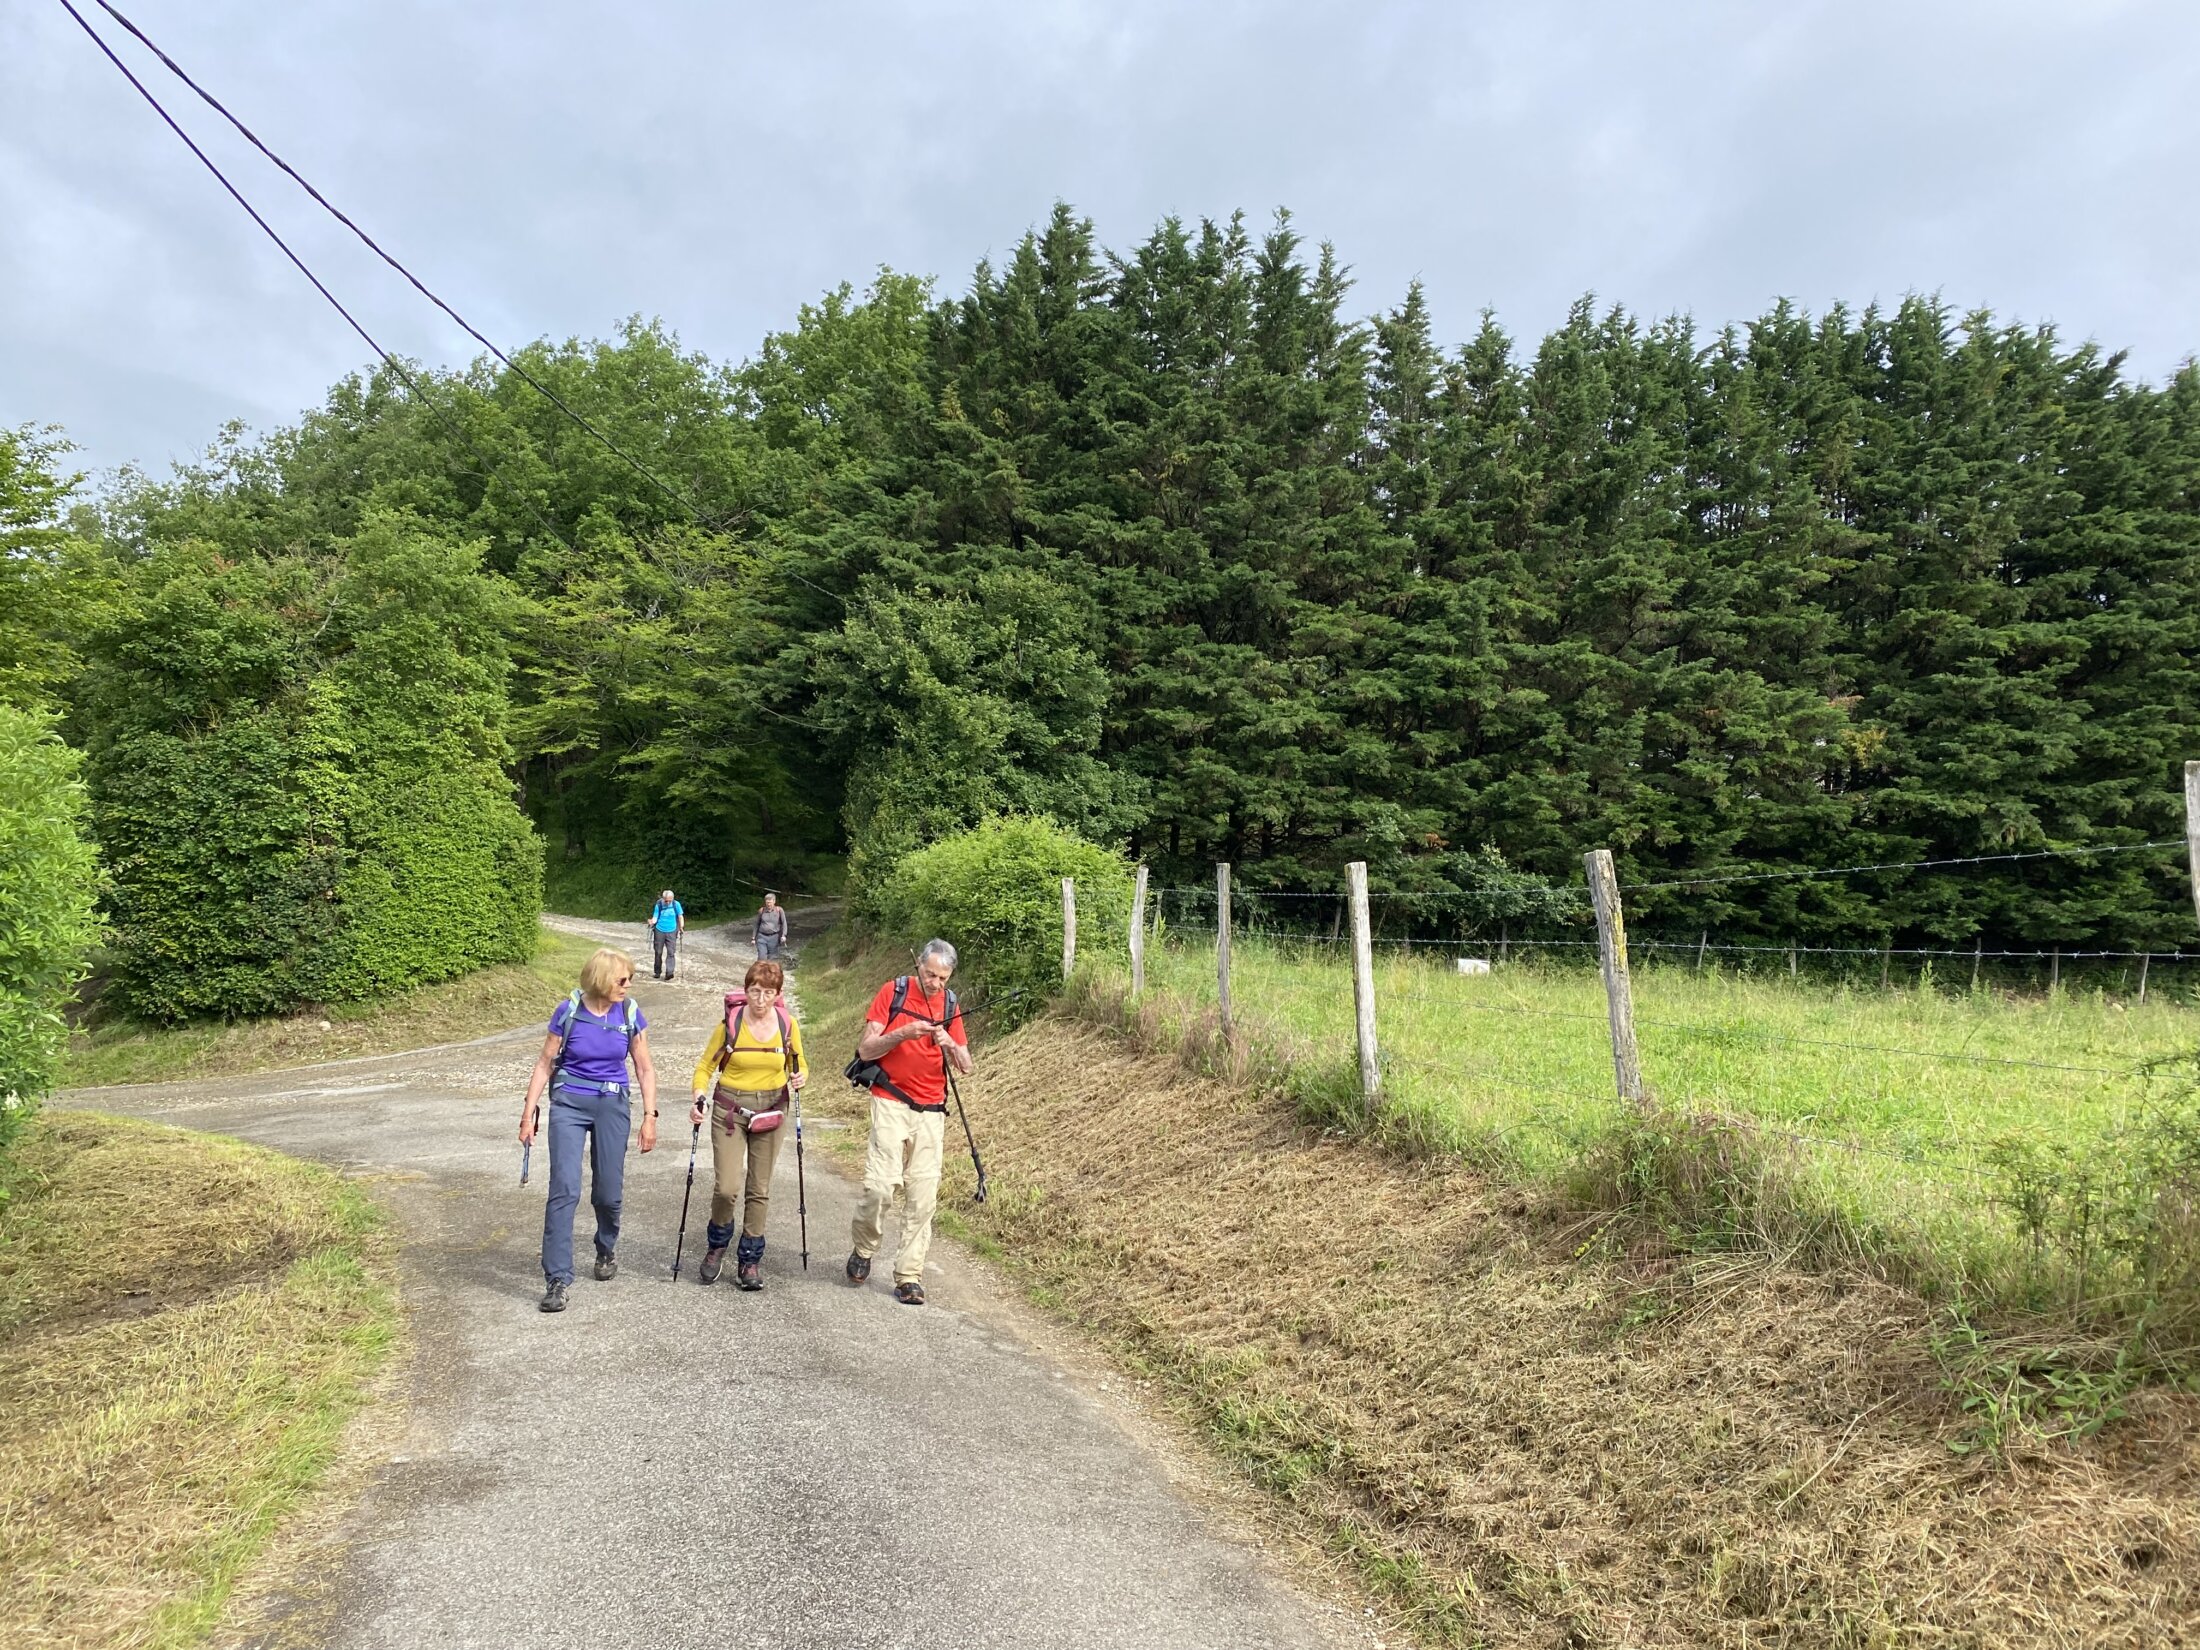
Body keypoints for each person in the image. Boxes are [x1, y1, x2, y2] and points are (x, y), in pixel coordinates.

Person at [518, 947, 659, 1313]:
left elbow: (644, 1068)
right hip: (569, 1104)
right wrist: (528, 1112)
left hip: (612, 1105)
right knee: (564, 1188)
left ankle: (605, 1246)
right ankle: (557, 1278)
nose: (628, 985)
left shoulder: (629, 1013)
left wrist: (650, 1116)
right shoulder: (568, 1011)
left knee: (608, 1193)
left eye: (629, 979)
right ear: (601, 979)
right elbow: (544, 1064)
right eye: (622, 979)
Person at [846, 939, 973, 1307]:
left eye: (943, 978)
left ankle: (909, 1276)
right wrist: (902, 1033)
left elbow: (966, 1065)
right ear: (919, 965)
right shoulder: (894, 991)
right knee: (880, 1187)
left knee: (922, 1197)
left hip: (931, 1109)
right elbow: (866, 1049)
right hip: (889, 1099)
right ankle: (864, 1248)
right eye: (930, 974)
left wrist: (949, 1042)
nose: (935, 983)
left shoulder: (949, 1004)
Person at [687, 959, 807, 1290]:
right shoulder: (730, 1024)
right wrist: (699, 1097)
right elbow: (704, 1067)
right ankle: (717, 1244)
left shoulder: (787, 1025)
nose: (761, 999)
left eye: (768, 993)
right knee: (726, 1187)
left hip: (772, 1108)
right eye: (755, 991)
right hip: (730, 1109)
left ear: (778, 995)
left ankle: (750, 1259)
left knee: (759, 1188)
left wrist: (800, 1077)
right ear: (746, 990)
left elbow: (799, 1064)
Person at [648, 889, 685, 980]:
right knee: (658, 952)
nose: (668, 902)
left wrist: (681, 927)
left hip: (672, 930)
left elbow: (680, 916)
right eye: (666, 901)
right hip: (659, 930)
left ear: (672, 898)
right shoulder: (659, 904)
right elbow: (655, 917)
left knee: (671, 952)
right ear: (663, 898)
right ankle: (657, 972)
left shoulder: (676, 904)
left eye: (669, 900)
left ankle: (669, 972)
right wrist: (652, 921)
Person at [753, 891, 789, 962]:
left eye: (770, 902)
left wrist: (784, 935)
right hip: (762, 937)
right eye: (767, 902)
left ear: (774, 901)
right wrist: (753, 937)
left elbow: (784, 923)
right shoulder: (761, 910)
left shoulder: (779, 910)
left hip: (774, 937)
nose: (768, 904)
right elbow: (756, 924)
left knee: (772, 959)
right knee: (761, 958)